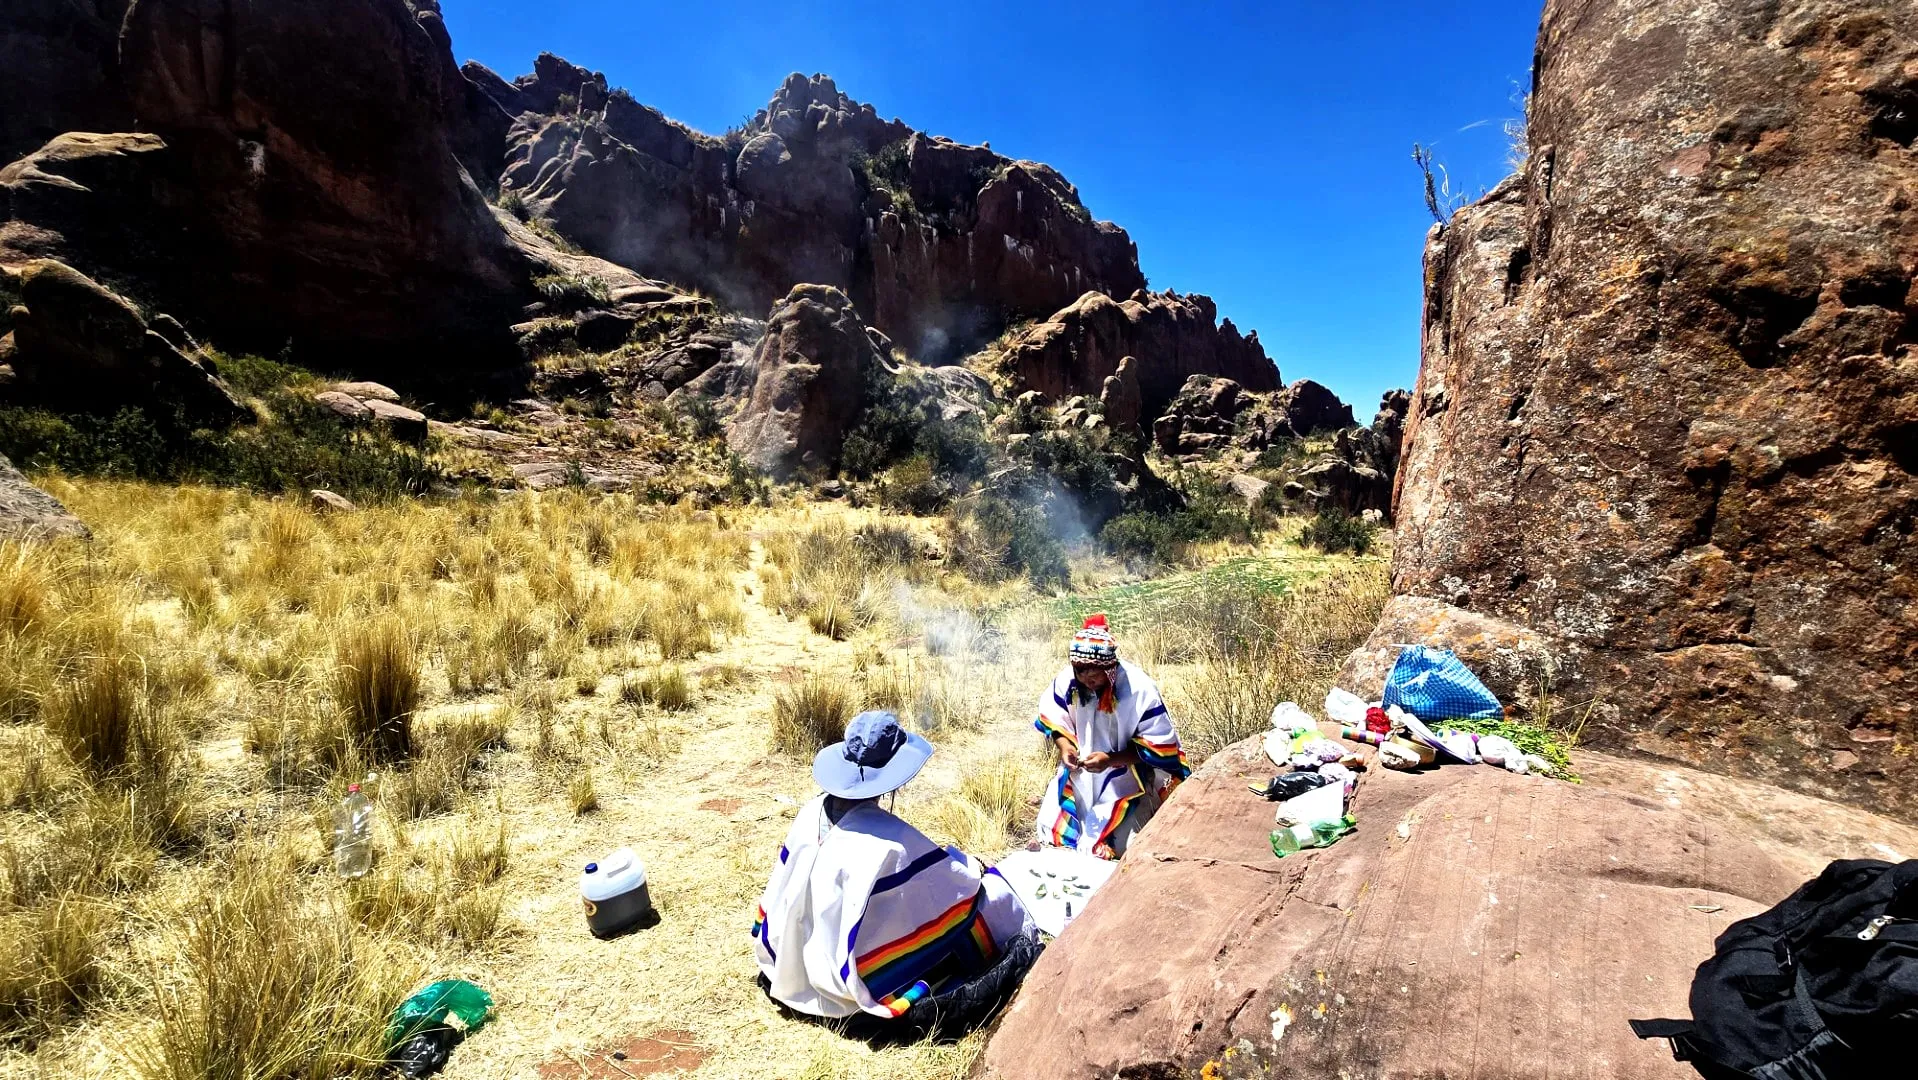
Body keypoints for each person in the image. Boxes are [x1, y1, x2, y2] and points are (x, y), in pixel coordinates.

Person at [752, 711, 1038, 1034]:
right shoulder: (891, 844)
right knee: (993, 901)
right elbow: (954, 887)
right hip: (842, 987)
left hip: (788, 962)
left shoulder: (808, 813)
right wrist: (973, 866)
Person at [1033, 614, 1189, 859]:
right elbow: (1055, 718)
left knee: (1127, 848)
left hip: (1128, 777)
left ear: (1109, 667)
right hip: (1081, 776)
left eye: (1094, 673)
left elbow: (1158, 745)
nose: (1087, 679)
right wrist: (1066, 748)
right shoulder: (1069, 680)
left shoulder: (1138, 688)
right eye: (1080, 671)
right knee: (1051, 831)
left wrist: (1110, 760)